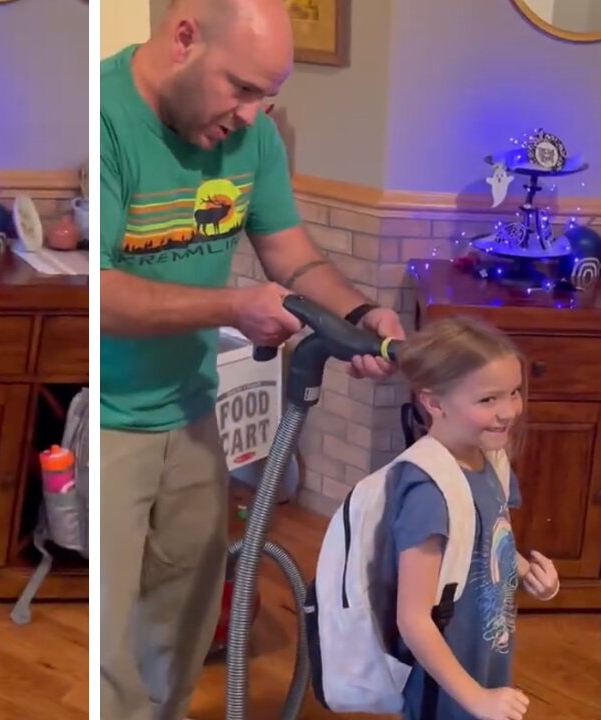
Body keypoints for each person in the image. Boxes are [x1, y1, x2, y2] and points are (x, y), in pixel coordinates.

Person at [99, 0, 407, 716]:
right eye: (239, 88)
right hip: (111, 419)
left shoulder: (251, 140)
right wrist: (233, 307)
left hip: (189, 408)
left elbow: (292, 254)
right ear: (183, 38)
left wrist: (358, 316)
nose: (250, 114)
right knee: (108, 635)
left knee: (183, 615)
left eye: (267, 96)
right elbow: (101, 290)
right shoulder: (107, 117)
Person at [386, 316, 560, 720]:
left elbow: (485, 550)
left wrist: (529, 574)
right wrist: (475, 697)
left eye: (514, 393)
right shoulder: (426, 492)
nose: (509, 412)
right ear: (433, 402)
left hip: (485, 652)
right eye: (488, 400)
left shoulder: (492, 462)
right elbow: (412, 618)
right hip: (444, 678)